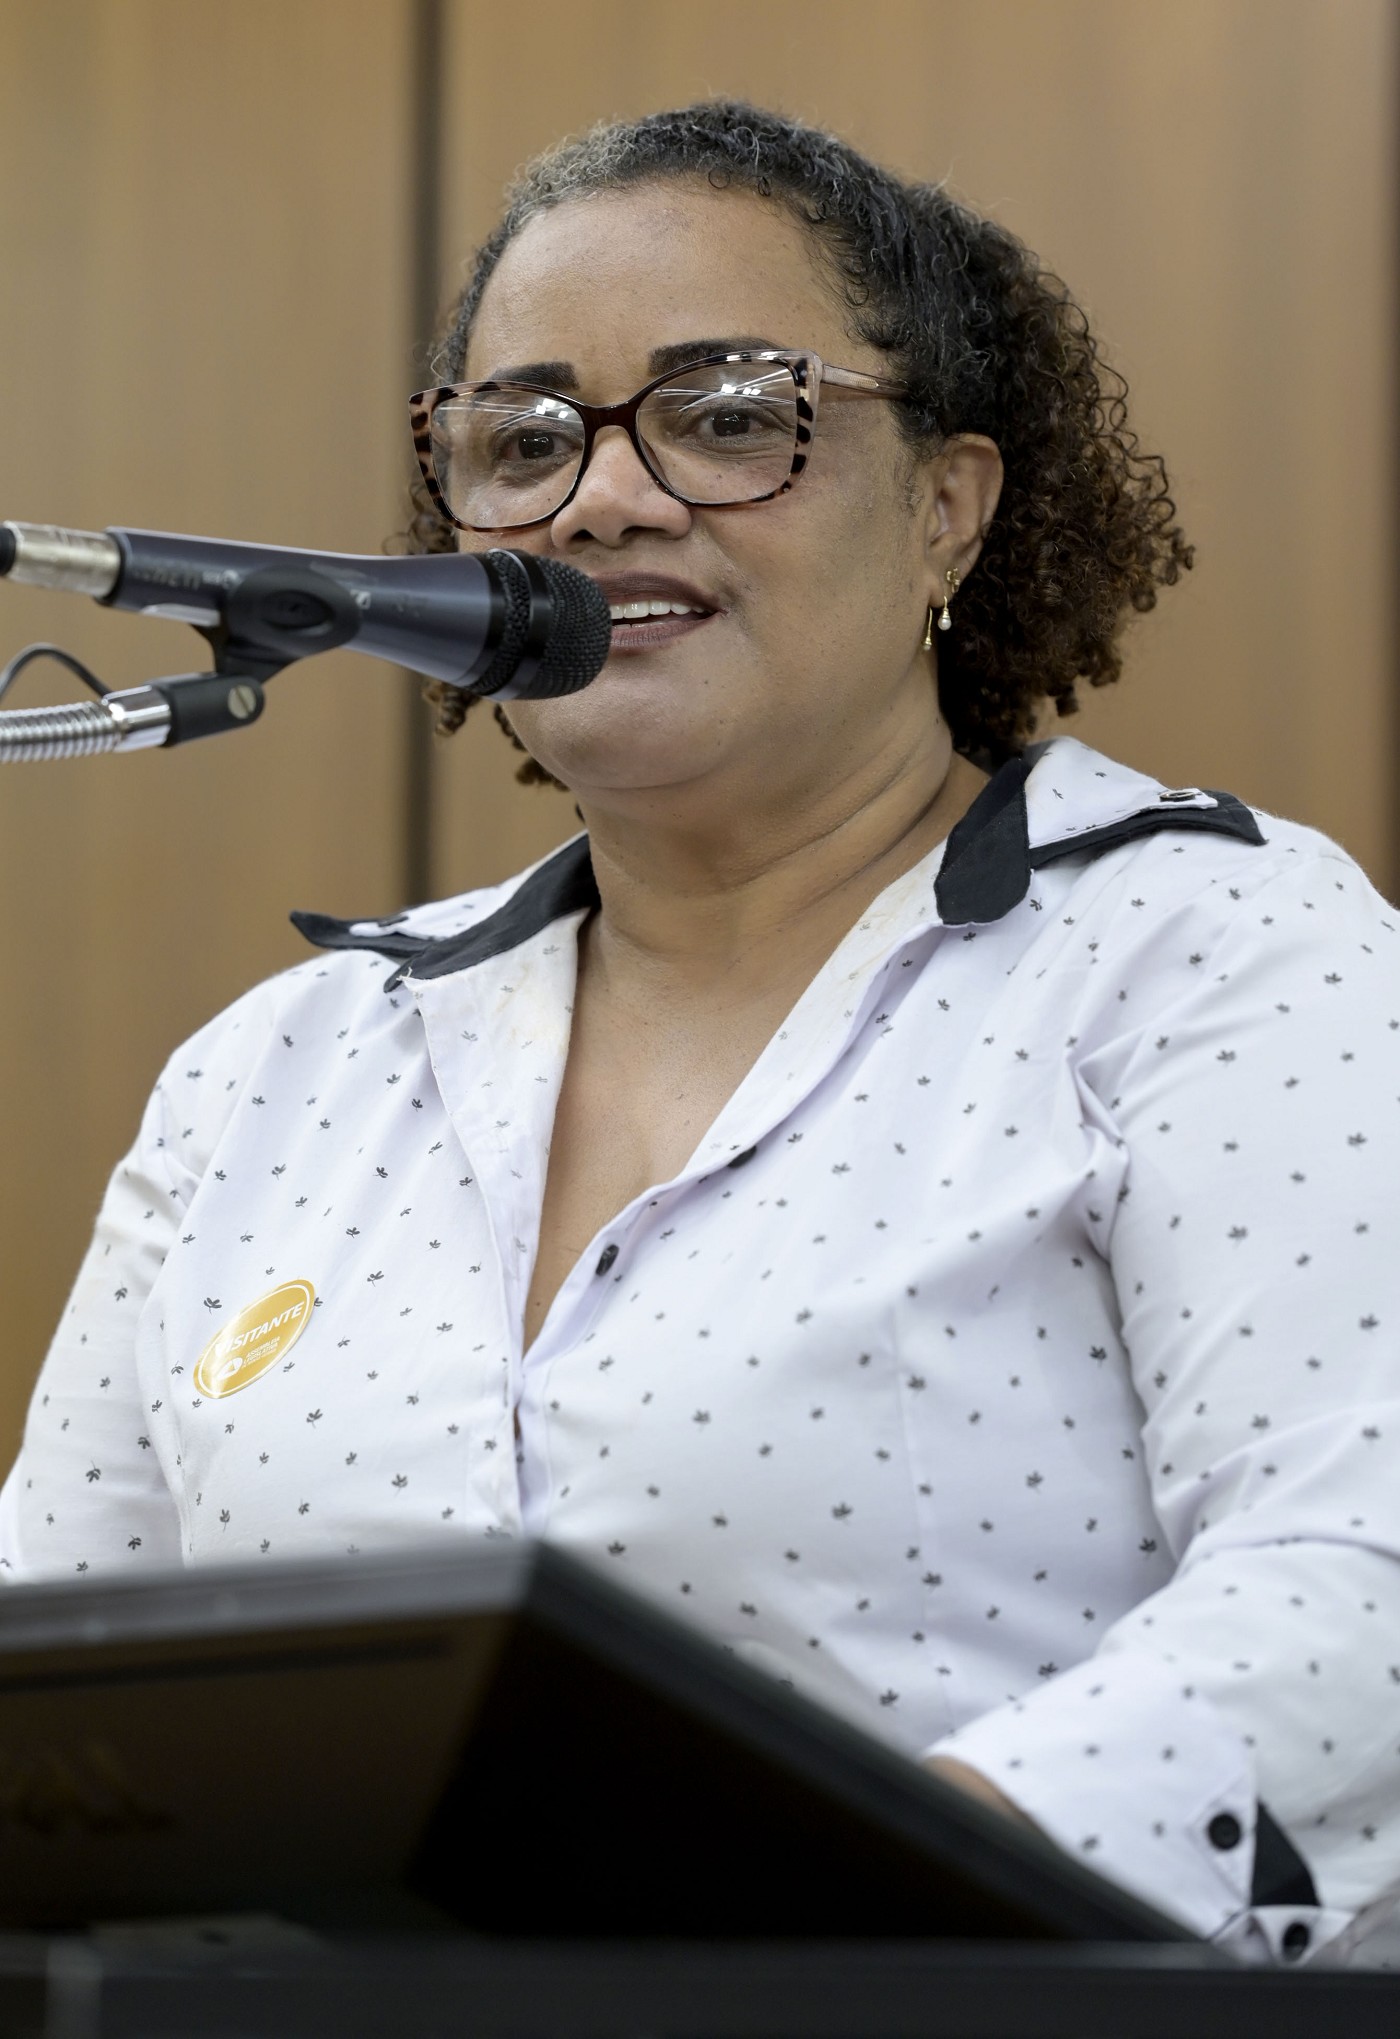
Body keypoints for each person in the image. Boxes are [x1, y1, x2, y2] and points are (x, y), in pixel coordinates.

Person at [2, 101, 1397, 1965]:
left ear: (949, 507)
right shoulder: (274, 1072)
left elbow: (1356, 1599)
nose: (601, 497)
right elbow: (58, 1679)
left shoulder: (1212, 954)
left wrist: (800, 1915)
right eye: (525, 441)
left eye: (731, 415)